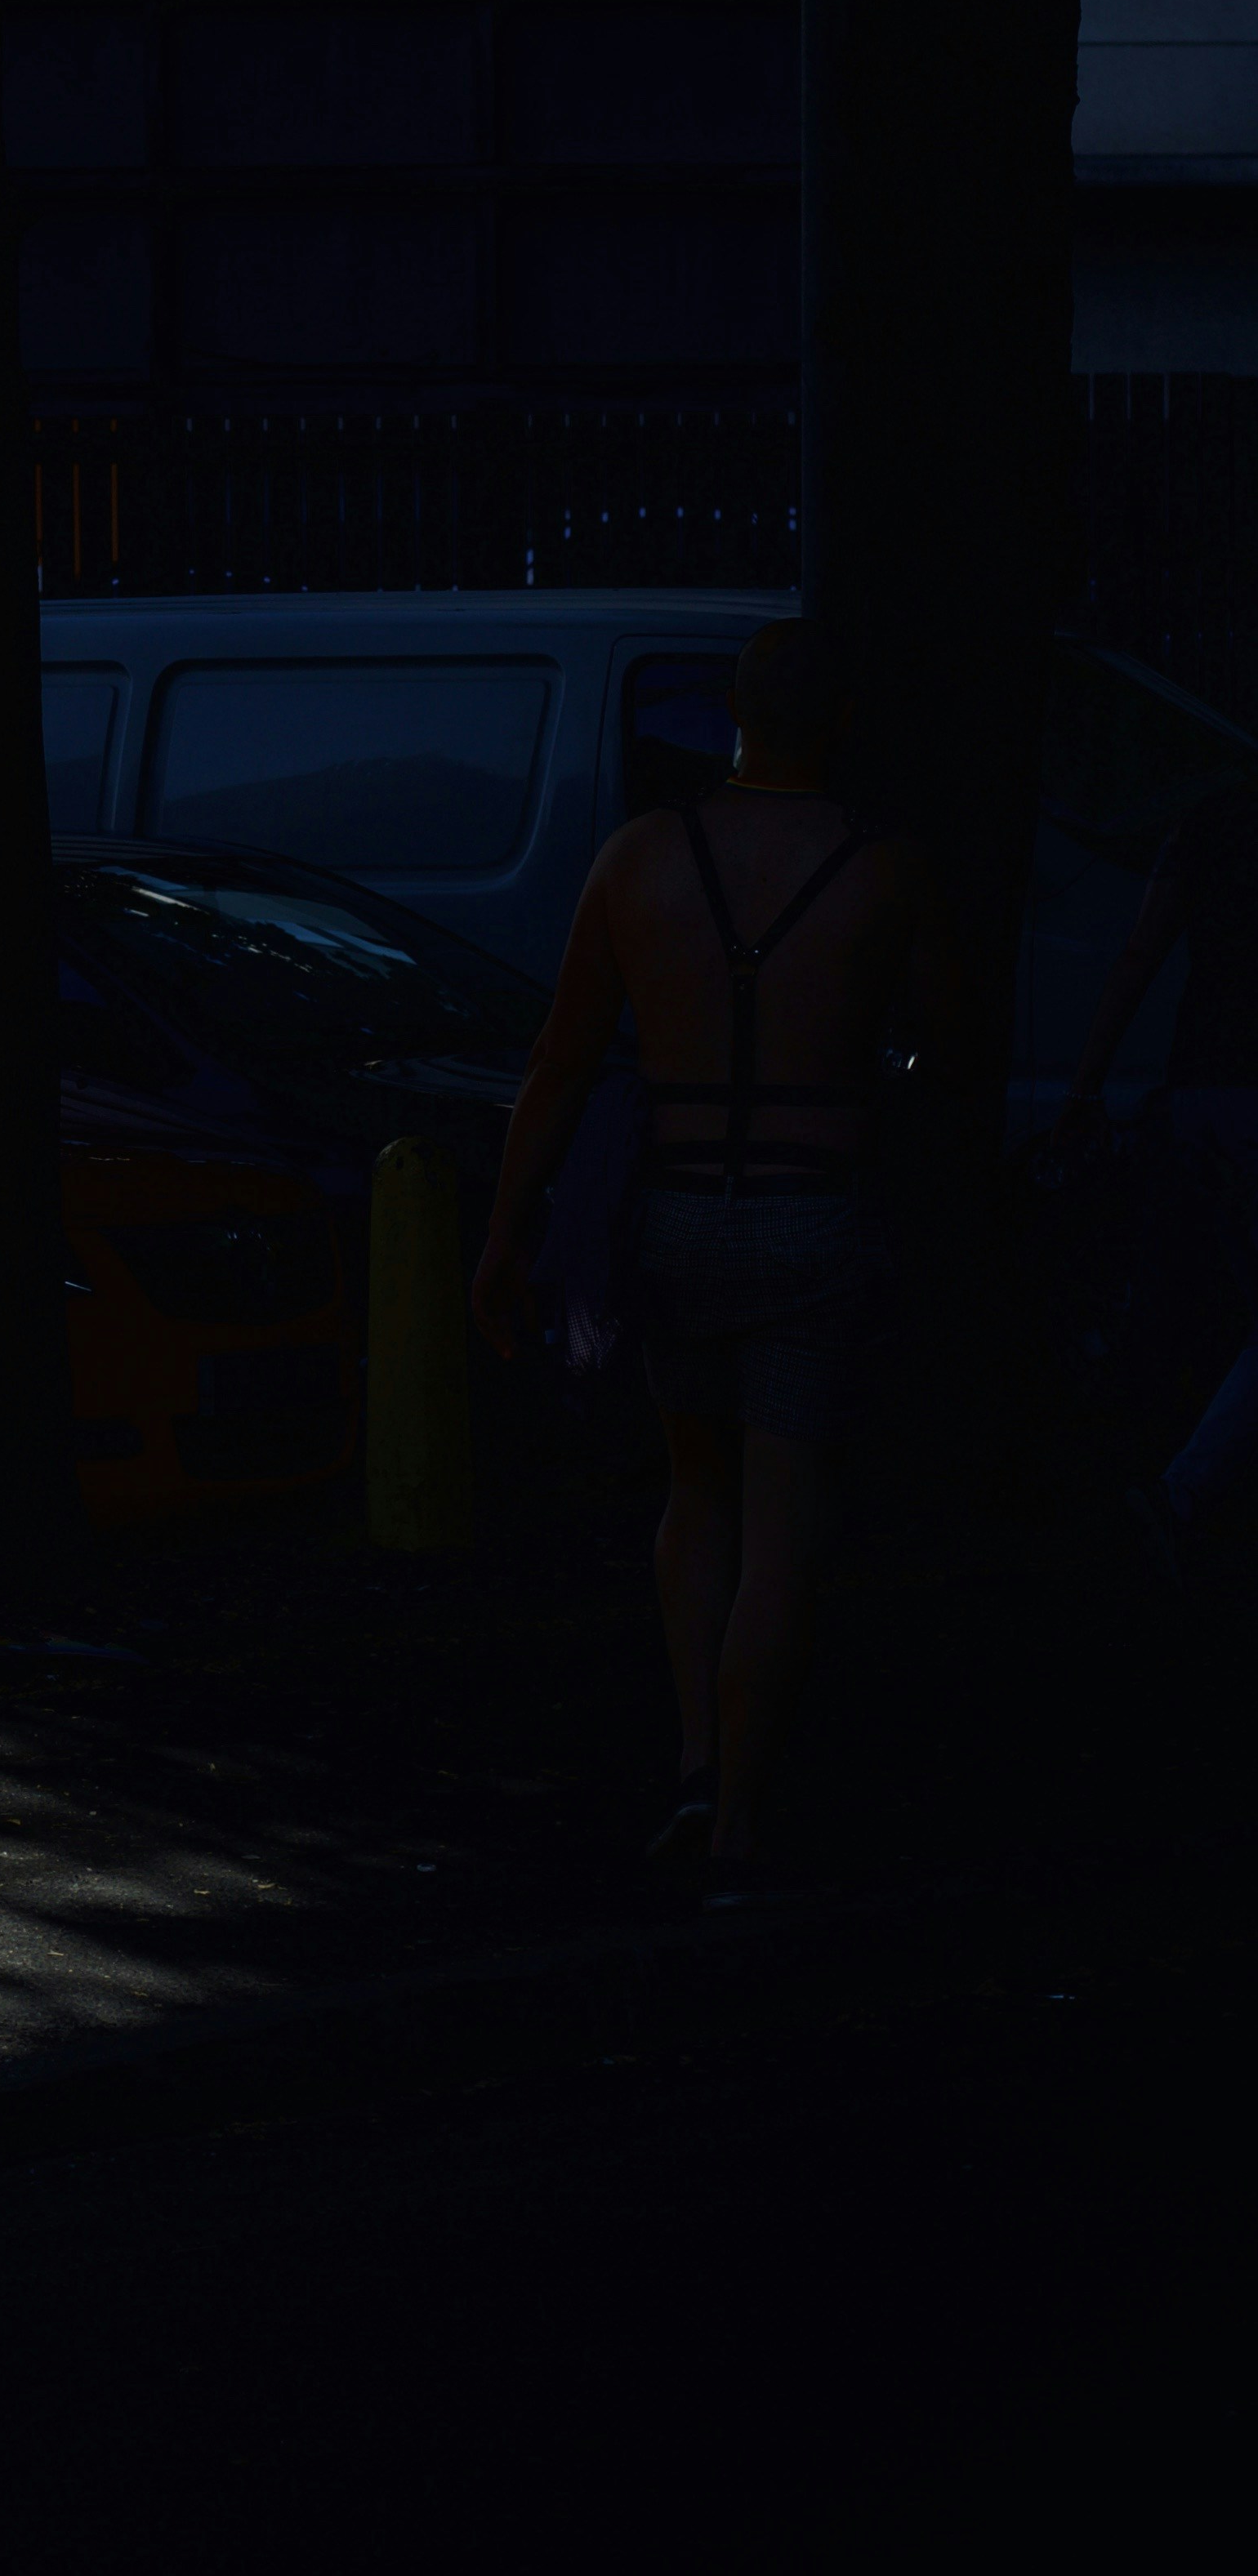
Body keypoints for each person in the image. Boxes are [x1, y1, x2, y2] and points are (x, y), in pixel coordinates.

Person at [471, 620, 956, 1892]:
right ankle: (743, 1810)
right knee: (784, 1518)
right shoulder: (882, 868)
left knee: (697, 1492)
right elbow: (935, 1050)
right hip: (815, 1212)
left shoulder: (644, 858)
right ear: (841, 723)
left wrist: (504, 1232)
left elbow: (561, 1063)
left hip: (675, 1210)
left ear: (730, 718)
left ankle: (693, 1761)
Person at [1049, 773, 1258, 1566]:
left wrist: (1085, 1083)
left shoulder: (1208, 816)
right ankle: (1181, 1491)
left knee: (1186, 1290)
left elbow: (1141, 951)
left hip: (1205, 1084)